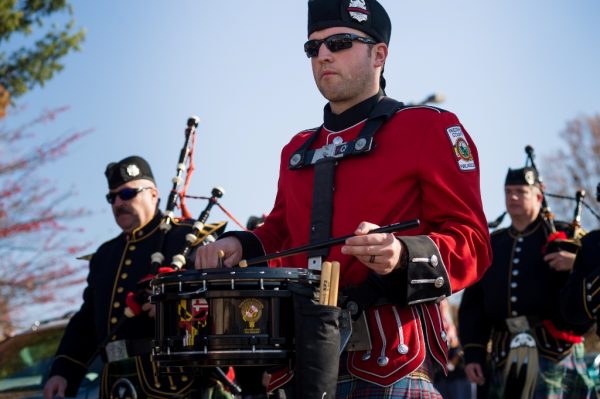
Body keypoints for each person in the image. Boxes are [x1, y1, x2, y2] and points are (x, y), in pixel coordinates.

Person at [195, 1, 491, 397]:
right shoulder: (297, 148)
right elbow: (282, 233)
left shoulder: (428, 128)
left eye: (339, 42)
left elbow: (473, 242)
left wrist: (402, 255)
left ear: (379, 54)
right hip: (299, 367)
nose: (323, 55)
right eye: (312, 48)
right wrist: (240, 243)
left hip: (391, 364)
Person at [43, 155, 230, 399]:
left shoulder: (187, 237)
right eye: (112, 197)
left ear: (153, 194)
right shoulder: (105, 255)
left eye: (128, 194)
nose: (118, 202)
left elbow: (221, 303)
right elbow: (87, 321)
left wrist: (175, 308)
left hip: (176, 383)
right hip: (113, 384)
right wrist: (63, 371)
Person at [458, 167, 596, 399]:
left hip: (556, 352)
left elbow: (593, 282)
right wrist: (474, 354)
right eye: (508, 192)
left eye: (521, 192)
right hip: (504, 354)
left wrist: (575, 264)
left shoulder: (566, 235)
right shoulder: (492, 244)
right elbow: (473, 306)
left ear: (539, 197)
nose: (512, 197)